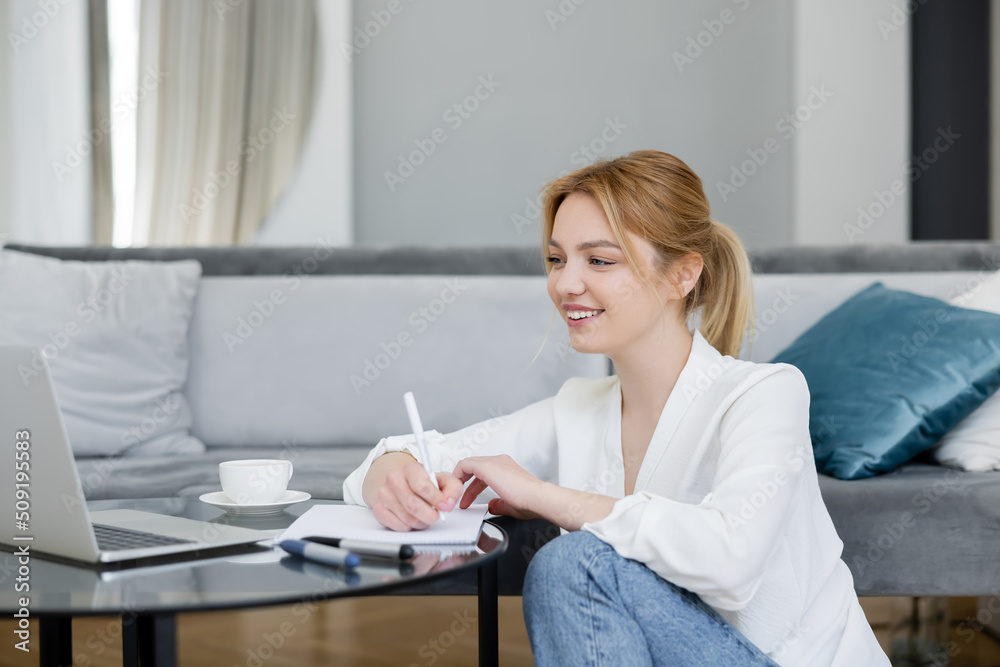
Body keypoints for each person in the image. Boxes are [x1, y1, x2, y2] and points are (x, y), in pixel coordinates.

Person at [342, 150, 890, 666]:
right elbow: (401, 458)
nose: (565, 283)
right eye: (556, 259)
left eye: (599, 260)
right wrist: (390, 474)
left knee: (575, 563)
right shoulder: (579, 409)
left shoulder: (765, 393)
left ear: (683, 274)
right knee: (576, 562)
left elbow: (731, 560)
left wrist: (546, 497)